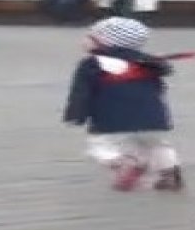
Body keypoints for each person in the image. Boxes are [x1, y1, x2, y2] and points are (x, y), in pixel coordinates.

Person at [62, 17, 183, 192]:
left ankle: (122, 163)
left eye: (90, 36)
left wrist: (75, 115)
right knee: (156, 144)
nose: (84, 40)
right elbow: (159, 87)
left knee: (100, 146)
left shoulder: (91, 65)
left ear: (104, 42)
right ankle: (168, 172)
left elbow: (81, 93)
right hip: (152, 117)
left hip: (111, 118)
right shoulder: (148, 63)